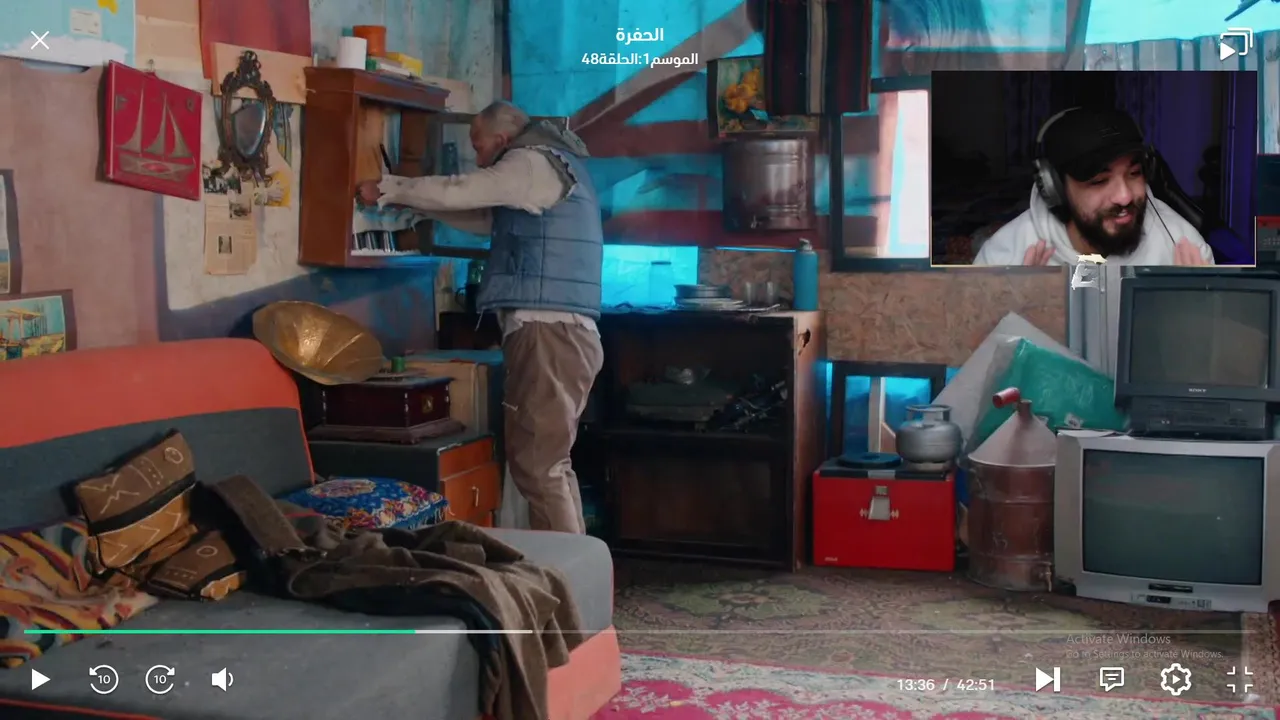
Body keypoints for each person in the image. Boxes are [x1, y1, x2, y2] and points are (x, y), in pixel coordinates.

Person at [357, 101, 603, 534]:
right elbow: (482, 217)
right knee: (549, 466)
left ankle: (564, 569)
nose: (476, 156)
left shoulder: (530, 162)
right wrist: (416, 205)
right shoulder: (551, 166)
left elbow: (465, 190)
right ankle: (573, 564)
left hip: (549, 333)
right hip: (559, 333)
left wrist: (391, 188)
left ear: (502, 139)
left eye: (478, 144)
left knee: (539, 468)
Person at [972, 107, 1213, 267]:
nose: (1124, 197)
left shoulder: (1186, 250)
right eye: (1098, 181)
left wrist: (1189, 306)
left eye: (1134, 174)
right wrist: (1013, 307)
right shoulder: (1003, 257)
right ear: (1054, 188)